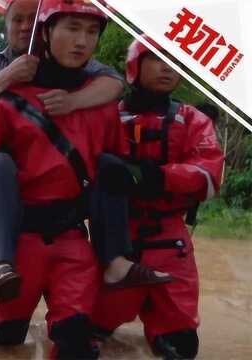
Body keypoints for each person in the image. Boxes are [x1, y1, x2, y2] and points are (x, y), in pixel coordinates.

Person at [0, 1, 127, 356]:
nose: (81, 41)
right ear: (47, 33)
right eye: (17, 20)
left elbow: (115, 84)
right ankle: (2, 266)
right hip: (23, 231)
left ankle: (113, 261)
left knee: (76, 340)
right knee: (5, 338)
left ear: (42, 25)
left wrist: (74, 101)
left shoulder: (95, 90)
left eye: (91, 32)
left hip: (71, 235)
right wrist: (9, 77)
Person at [90, 37, 225, 359]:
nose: (168, 67)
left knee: (181, 347)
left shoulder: (194, 120)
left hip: (171, 242)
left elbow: (208, 177)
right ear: (136, 65)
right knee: (84, 336)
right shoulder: (107, 118)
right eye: (157, 59)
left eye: (175, 61)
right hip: (118, 242)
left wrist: (155, 176)